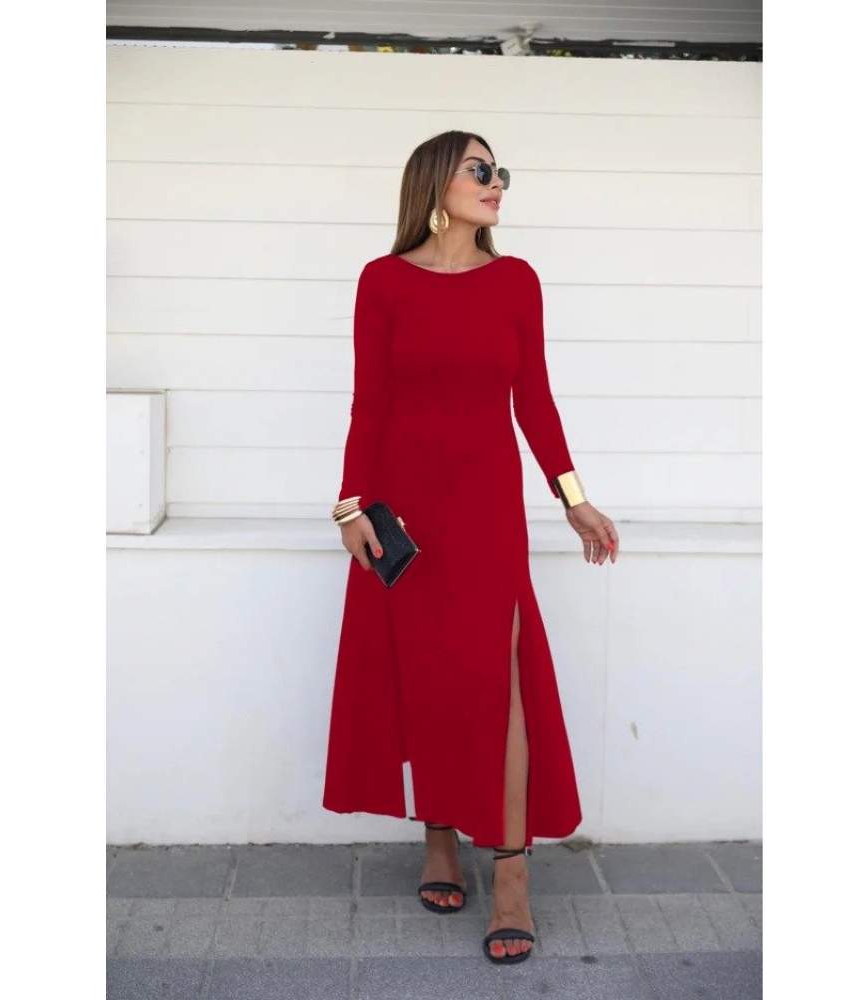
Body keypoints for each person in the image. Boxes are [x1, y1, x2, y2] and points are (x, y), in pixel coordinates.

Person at [322, 130, 619, 965]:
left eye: (500, 173)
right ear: (434, 185)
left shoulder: (516, 280)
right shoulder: (382, 281)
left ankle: (512, 872)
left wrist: (573, 499)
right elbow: (369, 402)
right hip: (406, 512)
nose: (496, 185)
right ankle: (440, 838)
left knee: (501, 682)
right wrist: (350, 506)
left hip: (487, 510)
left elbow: (537, 400)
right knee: (425, 675)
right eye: (479, 171)